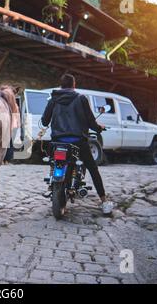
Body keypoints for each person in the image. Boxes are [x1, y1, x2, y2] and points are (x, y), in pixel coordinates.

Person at [41, 74, 113, 215]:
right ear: (74, 85)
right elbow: (92, 123)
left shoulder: (53, 99)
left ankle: (54, 184)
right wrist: (99, 128)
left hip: (57, 142)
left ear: (61, 85)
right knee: (93, 168)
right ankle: (104, 201)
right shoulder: (81, 98)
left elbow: (44, 121)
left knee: (53, 162)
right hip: (78, 142)